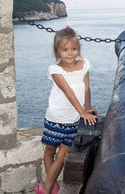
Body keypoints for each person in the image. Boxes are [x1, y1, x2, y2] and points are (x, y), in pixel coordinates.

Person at [35, 27, 97, 194]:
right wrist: (82, 112)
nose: (70, 53)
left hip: (73, 119)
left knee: (62, 156)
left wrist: (88, 107)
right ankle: (52, 184)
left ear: (78, 49)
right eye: (65, 50)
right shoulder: (55, 70)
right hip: (56, 117)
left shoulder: (84, 64)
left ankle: (46, 188)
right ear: (57, 52)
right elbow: (68, 93)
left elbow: (86, 88)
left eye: (73, 49)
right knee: (49, 151)